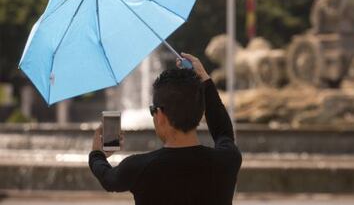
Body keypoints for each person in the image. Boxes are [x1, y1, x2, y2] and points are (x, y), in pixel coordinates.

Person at [89, 53, 242, 205]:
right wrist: (205, 79)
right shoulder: (226, 161)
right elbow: (224, 133)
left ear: (160, 115)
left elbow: (108, 178)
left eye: (152, 110)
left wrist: (97, 154)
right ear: (202, 111)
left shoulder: (139, 167)